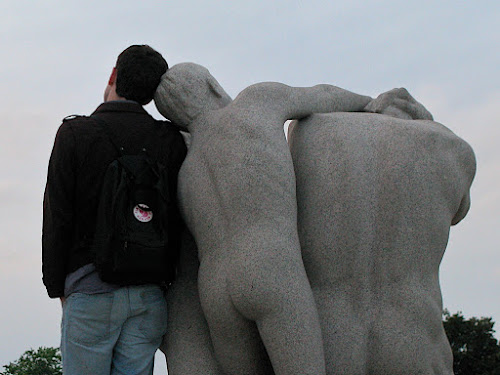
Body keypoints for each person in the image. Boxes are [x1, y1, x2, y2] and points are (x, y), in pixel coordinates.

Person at [154, 63, 422, 375]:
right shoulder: (253, 104)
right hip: (269, 265)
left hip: (214, 290)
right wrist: (371, 103)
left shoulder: (187, 168)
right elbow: (322, 96)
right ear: (213, 86)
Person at [288, 92, 475, 374]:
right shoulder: (451, 148)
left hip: (324, 337)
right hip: (415, 337)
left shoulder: (310, 131)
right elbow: (459, 212)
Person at [42, 45, 187, 375]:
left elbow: (57, 219)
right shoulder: (171, 140)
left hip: (89, 292)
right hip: (149, 298)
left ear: (113, 75)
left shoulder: (74, 134)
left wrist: (59, 289)